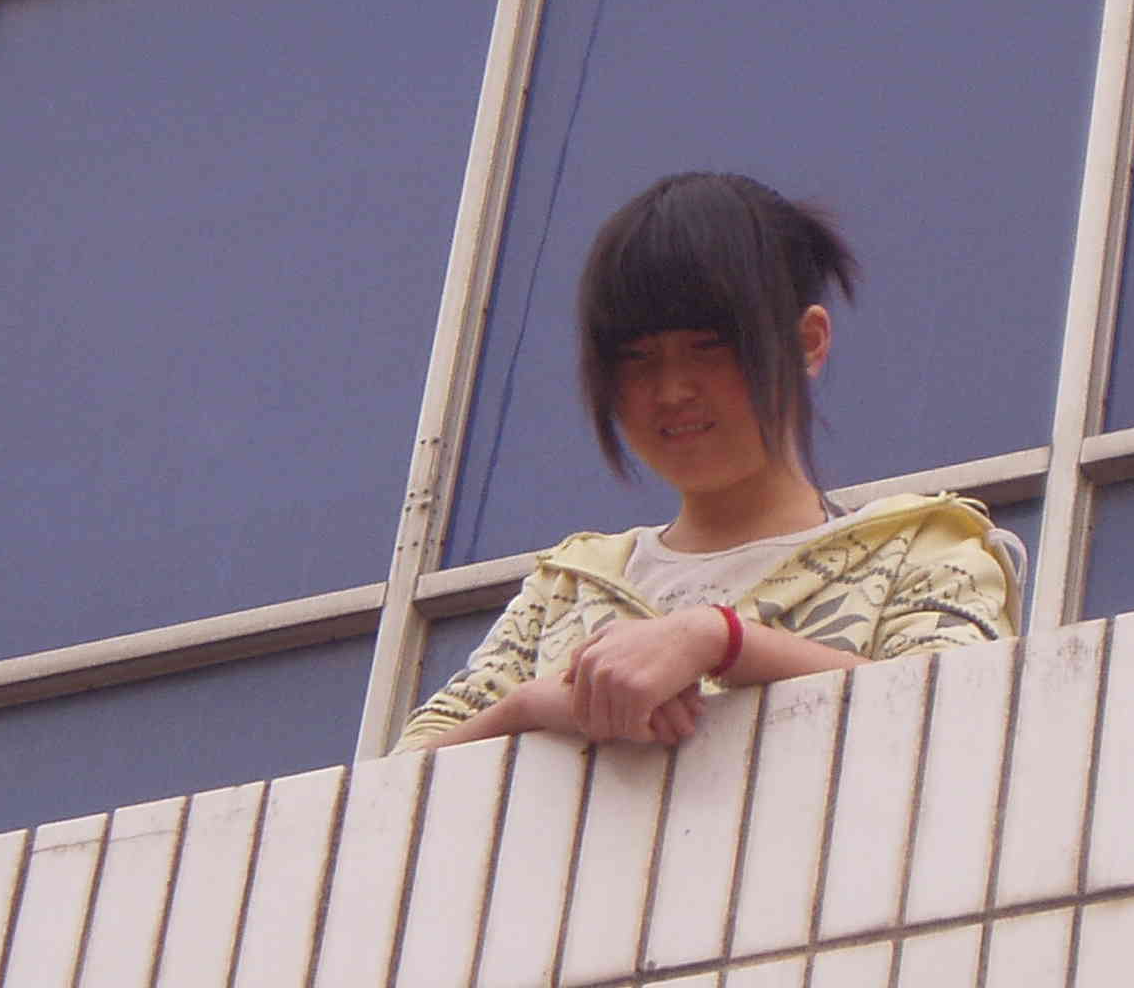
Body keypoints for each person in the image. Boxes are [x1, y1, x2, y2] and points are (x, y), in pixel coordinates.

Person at [396, 172, 1022, 752]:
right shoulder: (566, 588)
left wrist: (722, 641)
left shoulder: (921, 551)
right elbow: (395, 787)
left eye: (709, 347)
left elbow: (963, 719)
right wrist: (530, 708)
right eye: (638, 357)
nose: (672, 390)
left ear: (807, 343)